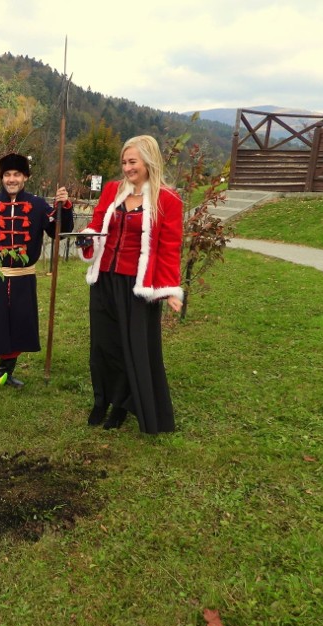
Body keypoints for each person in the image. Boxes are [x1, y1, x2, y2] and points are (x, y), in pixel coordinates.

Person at [76, 135, 184, 433]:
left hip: (137, 286)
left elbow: (169, 247)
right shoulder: (112, 191)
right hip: (104, 280)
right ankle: (101, 399)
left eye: (132, 162)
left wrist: (169, 290)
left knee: (130, 347)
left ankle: (122, 406)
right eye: (124, 162)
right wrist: (87, 236)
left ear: (148, 161)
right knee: (102, 345)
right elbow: (98, 225)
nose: (126, 168)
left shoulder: (168, 200)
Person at [0, 153, 73, 395]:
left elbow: (60, 230)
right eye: (7, 175)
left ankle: (5, 374)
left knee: (17, 324)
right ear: (2, 178)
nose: (11, 179)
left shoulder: (38, 205)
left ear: (25, 177)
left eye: (16, 175)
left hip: (23, 278)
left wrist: (63, 206)